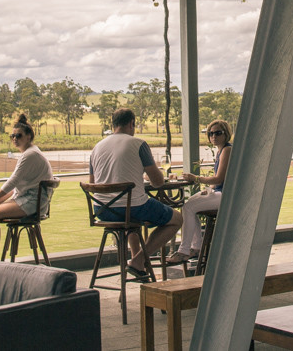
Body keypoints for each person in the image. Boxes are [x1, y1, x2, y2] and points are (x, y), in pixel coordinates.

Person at [89, 108, 182, 281]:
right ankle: (138, 260)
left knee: (132, 221)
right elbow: (158, 182)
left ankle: (137, 266)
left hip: (101, 210)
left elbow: (93, 184)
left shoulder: (97, 147)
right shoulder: (138, 144)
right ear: (132, 123)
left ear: (113, 124)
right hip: (131, 208)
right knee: (176, 219)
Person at [0, 114, 57, 260]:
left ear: (28, 136)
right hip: (31, 199)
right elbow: (15, 187)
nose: (15, 138)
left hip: (32, 202)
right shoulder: (31, 153)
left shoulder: (30, 155)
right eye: (12, 136)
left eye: (18, 135)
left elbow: (12, 182)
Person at [166, 119, 233, 265]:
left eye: (218, 133)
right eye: (210, 133)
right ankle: (195, 247)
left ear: (226, 134)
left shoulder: (227, 150)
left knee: (188, 207)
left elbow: (219, 179)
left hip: (228, 196)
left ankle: (186, 251)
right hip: (220, 192)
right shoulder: (221, 151)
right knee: (188, 206)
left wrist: (196, 178)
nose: (213, 136)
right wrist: (208, 190)